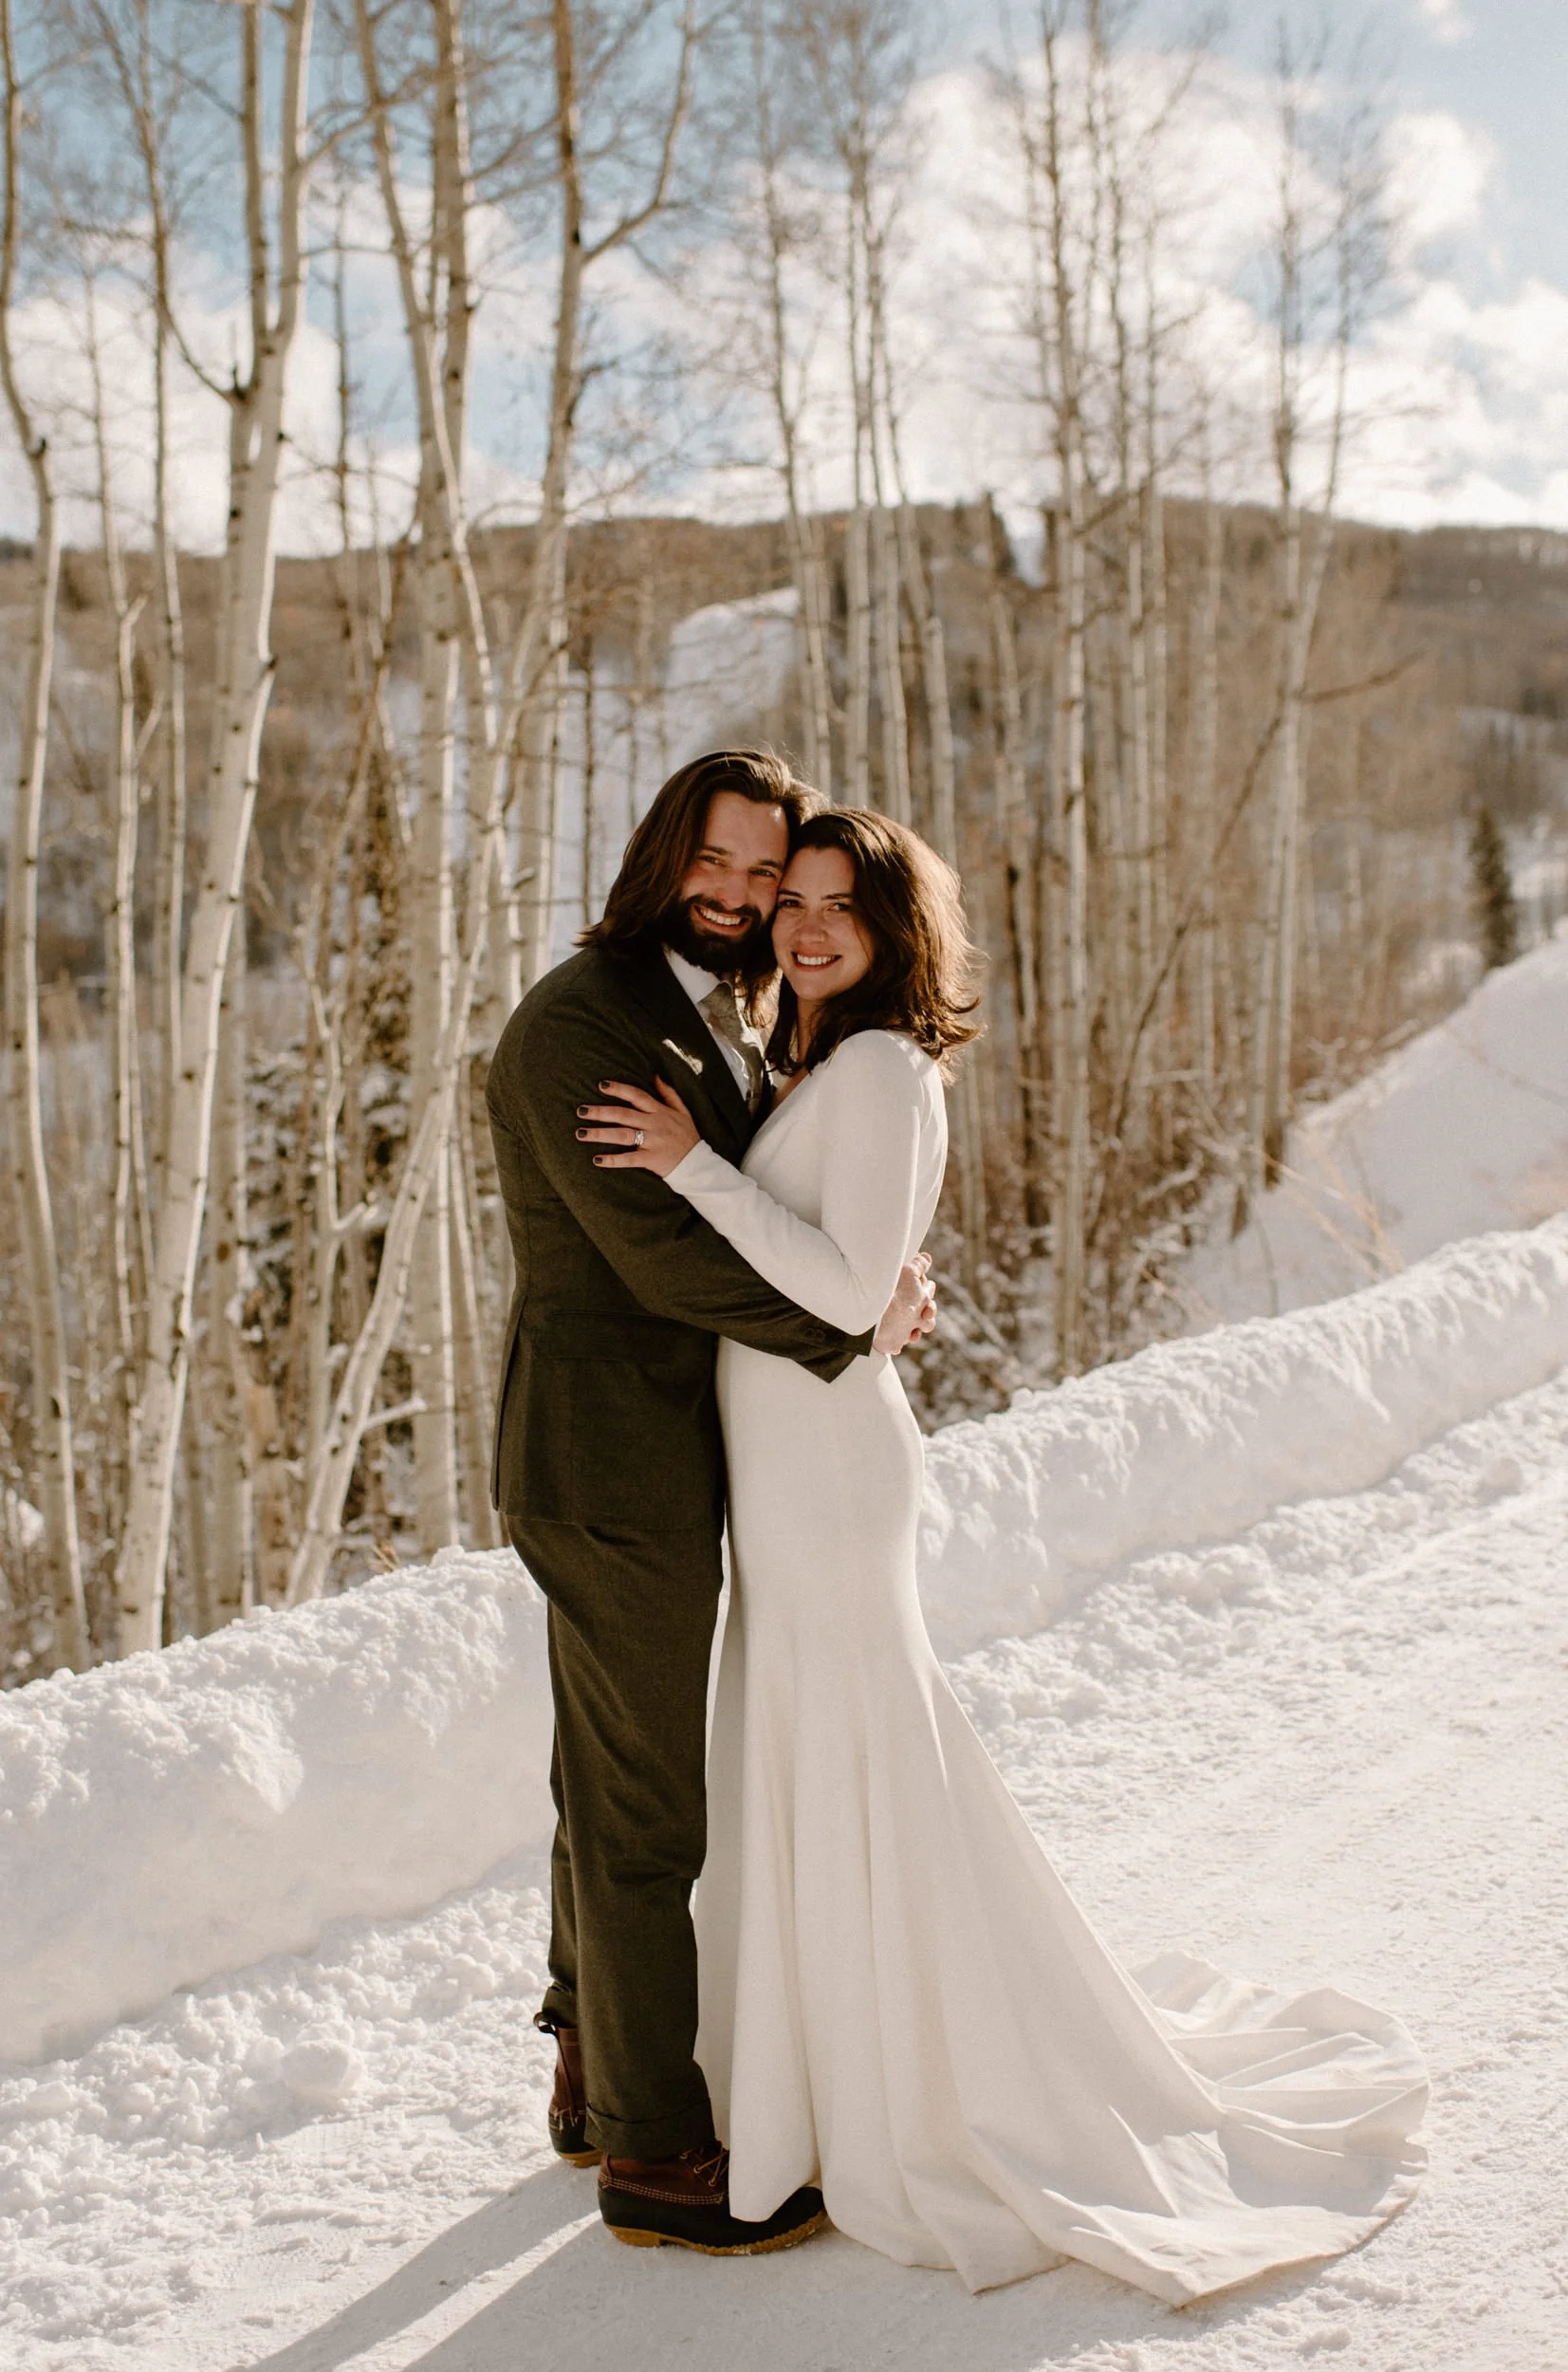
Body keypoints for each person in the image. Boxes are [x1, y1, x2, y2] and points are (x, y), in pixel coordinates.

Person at [575, 806, 1429, 2301]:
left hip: (828, 1475)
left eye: (844, 904)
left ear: (902, 929)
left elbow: (839, 1290)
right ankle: (821, 2073)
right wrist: (752, 1182)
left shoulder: (891, 1069)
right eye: (797, 902)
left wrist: (689, 1166)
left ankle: (911, 2086)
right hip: (785, 1462)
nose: (808, 925)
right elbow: (851, 1275)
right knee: (807, 1756)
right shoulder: (822, 1062)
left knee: (859, 1762)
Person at [485, 751, 936, 2259]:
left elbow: (784, 1203)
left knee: (604, 1770)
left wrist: (868, 1281)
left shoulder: (718, 1008)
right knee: (644, 1805)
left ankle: (590, 2069)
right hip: (611, 1463)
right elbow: (659, 1260)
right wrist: (848, 1324)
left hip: (687, 1456)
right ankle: (659, 2157)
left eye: (772, 877)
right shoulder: (578, 1027)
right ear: (663, 846)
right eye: (728, 865)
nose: (746, 898)